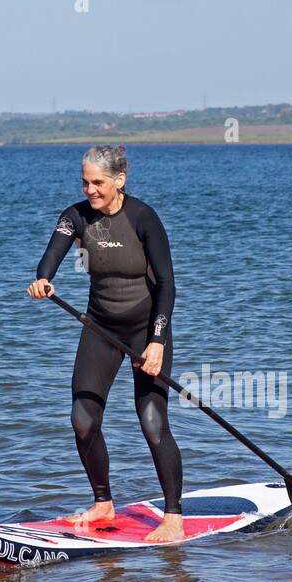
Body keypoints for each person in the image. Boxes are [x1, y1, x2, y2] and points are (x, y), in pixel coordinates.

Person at [26, 145, 185, 542]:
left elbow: (167, 284)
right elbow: (52, 255)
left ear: (120, 181)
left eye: (98, 182)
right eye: (85, 181)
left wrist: (158, 342)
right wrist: (43, 278)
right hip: (100, 328)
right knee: (83, 421)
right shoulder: (76, 216)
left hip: (146, 332)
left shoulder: (143, 218)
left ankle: (173, 516)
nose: (90, 189)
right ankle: (102, 502)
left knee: (152, 422)